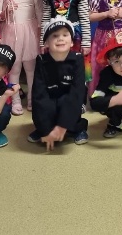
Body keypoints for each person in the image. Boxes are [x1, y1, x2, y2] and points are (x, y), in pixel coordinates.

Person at [28, 18, 89, 149]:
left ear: (72, 42)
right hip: (51, 96)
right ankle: (43, 129)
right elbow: (39, 94)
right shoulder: (41, 60)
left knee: (68, 102)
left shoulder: (77, 59)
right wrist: (45, 130)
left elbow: (77, 92)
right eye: (55, 36)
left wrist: (62, 126)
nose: (60, 38)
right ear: (46, 43)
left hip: (71, 99)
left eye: (65, 35)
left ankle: (78, 129)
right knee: (44, 106)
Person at [0, 0, 40, 115]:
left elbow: (40, 12)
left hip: (30, 33)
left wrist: (42, 34)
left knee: (31, 69)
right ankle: (15, 100)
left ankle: (32, 99)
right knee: (13, 69)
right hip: (10, 34)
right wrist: (4, 12)